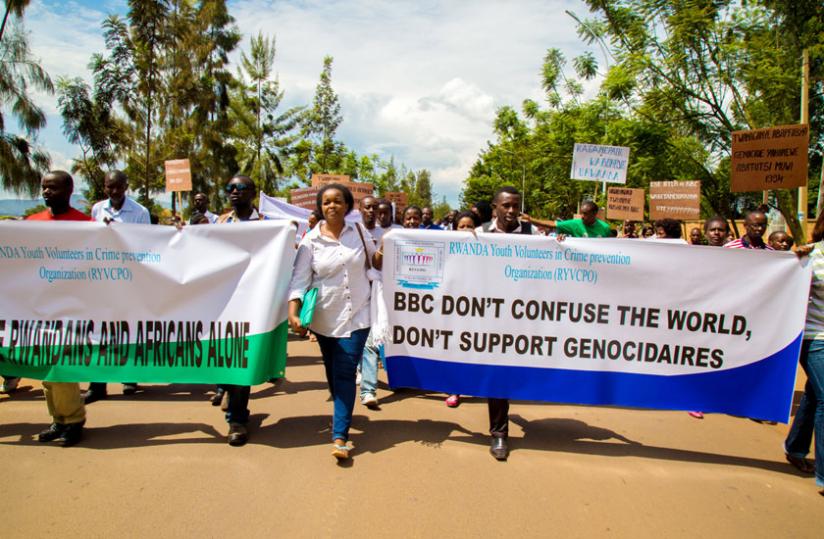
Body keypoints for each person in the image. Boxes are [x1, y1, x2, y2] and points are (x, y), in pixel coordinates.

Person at [288, 183, 382, 461]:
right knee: (331, 369)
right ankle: (341, 407)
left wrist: (388, 243)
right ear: (320, 207)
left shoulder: (360, 232)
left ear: (347, 206)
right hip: (325, 318)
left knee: (344, 371)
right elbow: (299, 280)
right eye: (326, 202)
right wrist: (293, 312)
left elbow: (374, 262)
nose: (332, 206)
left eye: (338, 201)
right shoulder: (310, 242)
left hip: (359, 314)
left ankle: (340, 436)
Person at [26, 170, 90, 447]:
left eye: (52, 188)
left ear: (68, 191)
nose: (46, 193)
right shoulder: (31, 224)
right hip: (38, 309)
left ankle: (74, 421)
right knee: (46, 368)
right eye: (43, 188)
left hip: (70, 308)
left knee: (62, 366)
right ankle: (58, 419)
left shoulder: (86, 224)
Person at [475, 186, 538, 461]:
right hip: (490, 316)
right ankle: (499, 433)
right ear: (495, 208)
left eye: (515, 206)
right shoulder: (480, 235)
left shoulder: (532, 234)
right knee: (498, 373)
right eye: (506, 206)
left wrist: (560, 244)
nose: (511, 211)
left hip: (525, 316)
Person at [86, 170, 149, 402]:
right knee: (99, 331)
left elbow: (146, 245)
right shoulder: (97, 209)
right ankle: (97, 384)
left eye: (118, 186)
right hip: (101, 278)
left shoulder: (140, 212)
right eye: (109, 187)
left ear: (126, 186)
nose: (113, 191)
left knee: (127, 329)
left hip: (128, 279)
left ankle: (129, 376)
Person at [213, 174, 266, 446]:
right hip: (223, 301)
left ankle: (238, 419)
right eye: (229, 187)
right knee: (225, 356)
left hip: (252, 303)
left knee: (242, 357)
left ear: (252, 192)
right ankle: (227, 390)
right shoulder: (220, 223)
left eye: (241, 187)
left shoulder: (267, 226)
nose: (234, 192)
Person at [784, 211, 824, 496]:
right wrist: (792, 262)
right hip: (815, 337)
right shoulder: (811, 256)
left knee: (815, 394)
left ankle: (796, 447)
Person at [441, 211, 481, 409]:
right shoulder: (447, 248)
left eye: (470, 226)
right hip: (454, 306)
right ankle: (454, 389)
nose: (466, 230)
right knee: (454, 347)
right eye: (461, 226)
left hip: (478, 307)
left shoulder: (488, 247)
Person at [357, 195, 382, 409]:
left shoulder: (389, 234)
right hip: (356, 296)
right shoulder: (351, 233)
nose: (371, 211)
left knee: (371, 343)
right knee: (360, 340)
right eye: (367, 207)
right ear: (359, 209)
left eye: (375, 207)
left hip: (379, 295)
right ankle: (360, 371)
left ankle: (368, 390)